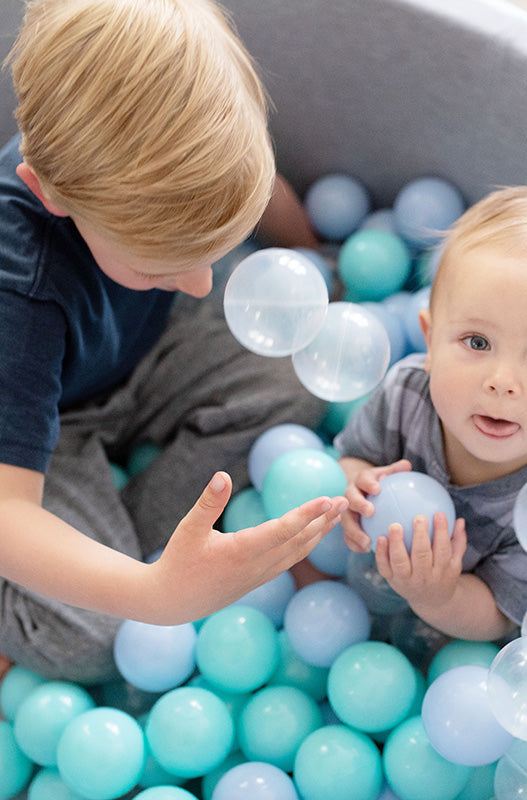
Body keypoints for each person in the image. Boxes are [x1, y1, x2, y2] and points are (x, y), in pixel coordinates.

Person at [0, 0, 347, 684]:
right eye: (160, 266)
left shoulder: (205, 146)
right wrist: (155, 596)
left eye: (215, 250)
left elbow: (261, 186)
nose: (198, 282)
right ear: (51, 196)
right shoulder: (19, 293)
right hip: (45, 427)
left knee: (302, 370)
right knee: (96, 640)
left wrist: (319, 264)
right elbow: (9, 512)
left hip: (145, 351)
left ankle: (126, 543)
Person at [336, 186, 527, 641]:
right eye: (477, 342)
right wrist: (354, 487)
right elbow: (354, 456)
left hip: (450, 641)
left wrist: (440, 597)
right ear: (430, 343)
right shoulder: (405, 393)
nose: (503, 380)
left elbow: (504, 616)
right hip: (352, 592)